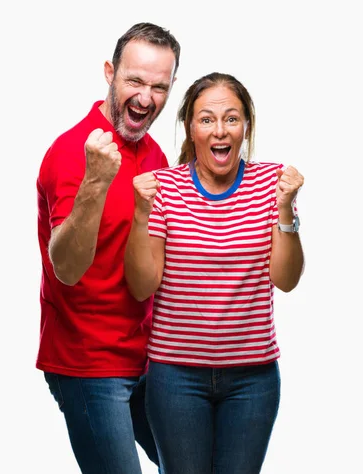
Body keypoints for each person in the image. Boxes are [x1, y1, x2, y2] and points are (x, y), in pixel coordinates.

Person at [124, 72, 305, 473]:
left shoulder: (271, 184)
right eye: (206, 119)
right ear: (190, 127)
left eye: (231, 118)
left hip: (253, 380)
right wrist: (140, 215)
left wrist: (285, 210)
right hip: (175, 378)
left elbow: (286, 280)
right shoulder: (164, 189)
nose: (219, 130)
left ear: (246, 127)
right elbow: (142, 285)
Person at [36, 22, 181, 474]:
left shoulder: (155, 155)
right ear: (109, 73)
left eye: (158, 86)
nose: (145, 97)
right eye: (135, 81)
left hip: (148, 359)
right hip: (88, 364)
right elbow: (67, 267)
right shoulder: (71, 152)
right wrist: (96, 180)